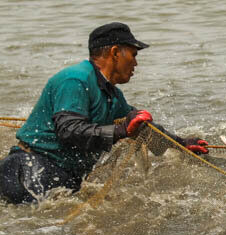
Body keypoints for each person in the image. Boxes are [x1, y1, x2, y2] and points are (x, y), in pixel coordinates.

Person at [1, 22, 208, 204]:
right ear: (115, 52)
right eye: (133, 55)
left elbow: (139, 127)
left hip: (61, 174)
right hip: (29, 169)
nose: (136, 63)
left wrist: (181, 144)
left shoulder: (113, 94)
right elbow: (69, 130)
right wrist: (121, 131)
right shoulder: (75, 80)